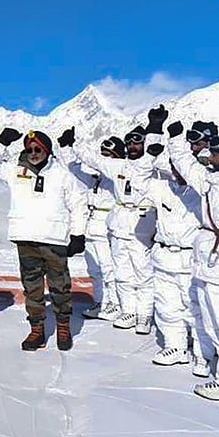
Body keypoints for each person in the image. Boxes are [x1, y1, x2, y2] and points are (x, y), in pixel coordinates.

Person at [166, 84, 219, 411]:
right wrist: (174, 139)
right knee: (215, 327)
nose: (207, 155)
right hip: (207, 266)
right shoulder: (215, 179)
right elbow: (187, 167)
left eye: (214, 152)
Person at [0, 127, 87, 351]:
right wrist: (1, 142)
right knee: (32, 288)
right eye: (29, 149)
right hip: (25, 237)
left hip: (54, 239)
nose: (33, 152)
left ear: (47, 150)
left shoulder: (61, 174)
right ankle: (37, 329)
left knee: (60, 287)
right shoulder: (15, 170)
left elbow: (79, 203)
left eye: (38, 148)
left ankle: (62, 326)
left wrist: (78, 234)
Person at [70, 106, 166, 334]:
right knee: (122, 271)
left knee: (142, 272)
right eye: (130, 143)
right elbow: (92, 158)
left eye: (137, 143)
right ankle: (128, 310)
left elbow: (157, 148)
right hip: (119, 223)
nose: (134, 147)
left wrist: (155, 127)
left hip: (141, 223)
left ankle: (144, 315)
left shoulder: (151, 164)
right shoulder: (117, 165)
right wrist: (73, 143)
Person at [144, 157, 210, 375]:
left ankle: (202, 355)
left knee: (195, 310)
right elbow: (137, 181)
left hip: (189, 258)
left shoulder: (202, 192)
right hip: (164, 256)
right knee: (166, 306)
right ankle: (175, 346)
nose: (178, 171)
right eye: (174, 167)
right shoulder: (162, 188)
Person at [59, 133, 121, 321]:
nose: (103, 158)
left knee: (109, 268)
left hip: (106, 227)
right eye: (102, 154)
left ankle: (115, 304)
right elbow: (74, 169)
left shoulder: (119, 175)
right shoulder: (96, 178)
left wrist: (77, 144)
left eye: (108, 155)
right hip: (90, 227)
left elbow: (93, 161)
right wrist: (65, 148)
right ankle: (99, 301)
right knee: (94, 270)